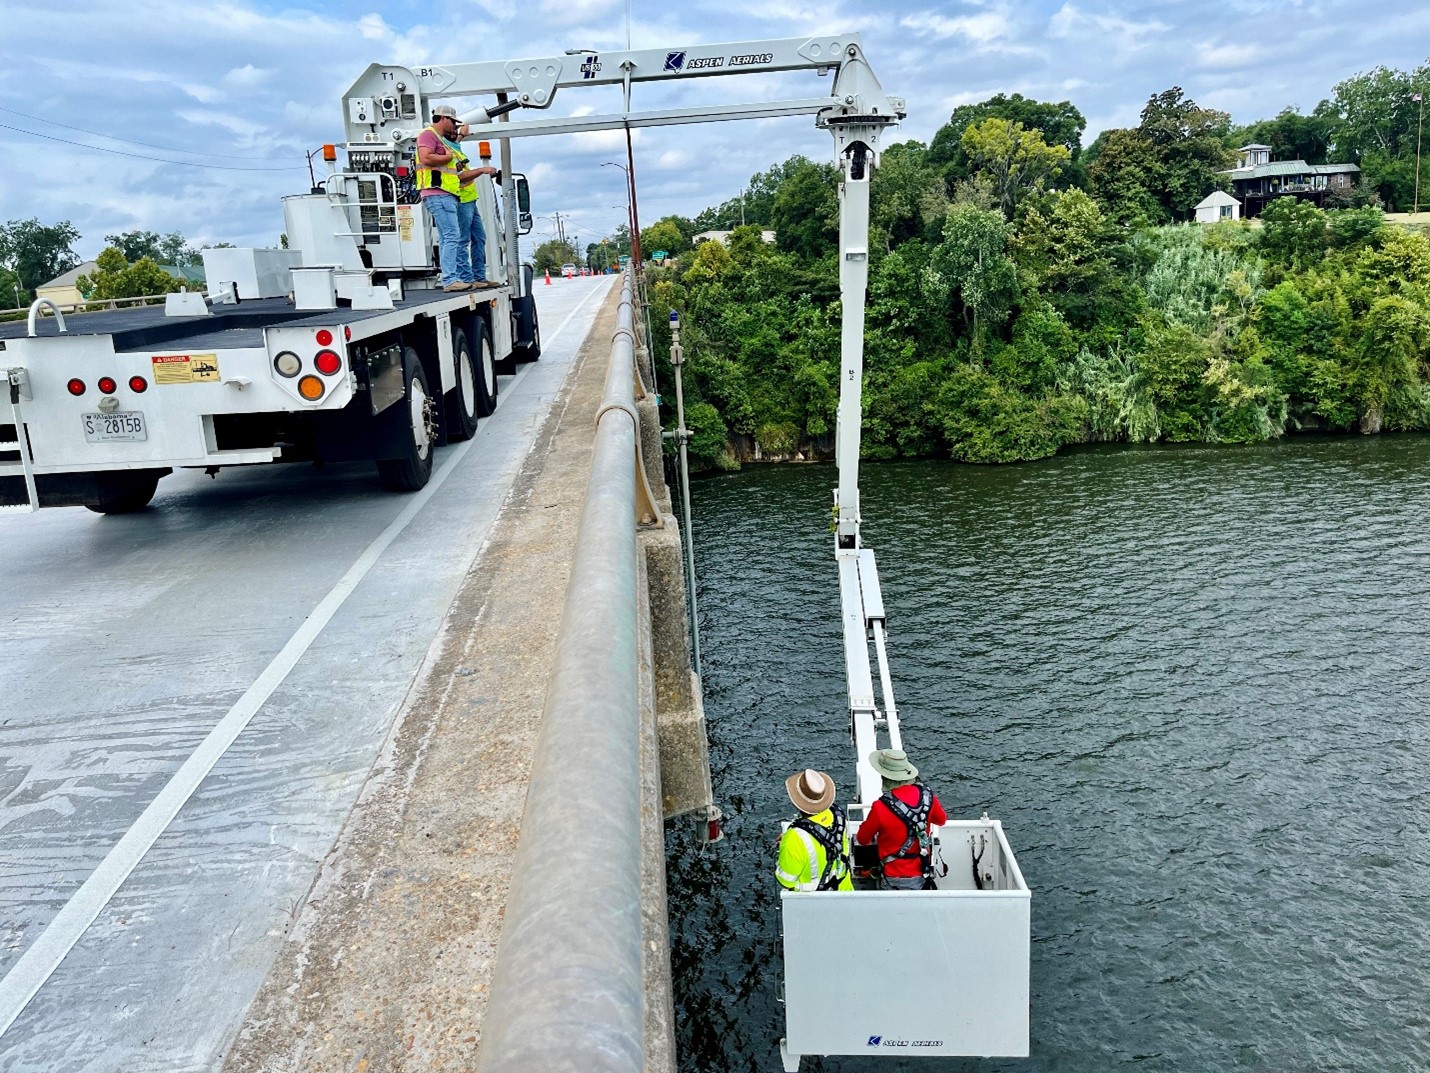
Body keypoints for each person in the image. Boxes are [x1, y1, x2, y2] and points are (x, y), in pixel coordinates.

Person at [856, 748, 947, 891]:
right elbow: (941, 820)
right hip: (922, 871)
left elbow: (862, 839)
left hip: (892, 877)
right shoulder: (928, 797)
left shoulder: (880, 807)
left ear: (885, 777)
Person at [415, 105, 470, 292]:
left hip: (443, 194)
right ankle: (450, 279)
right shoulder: (428, 135)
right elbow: (426, 158)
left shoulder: (439, 138)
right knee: (451, 235)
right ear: (444, 118)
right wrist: (447, 158)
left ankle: (450, 278)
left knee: (448, 237)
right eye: (453, 122)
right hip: (437, 193)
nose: (454, 126)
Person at [775, 768, 853, 892]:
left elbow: (785, 881)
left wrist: (784, 847)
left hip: (812, 903)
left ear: (797, 801)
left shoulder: (794, 838)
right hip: (844, 891)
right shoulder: (838, 815)